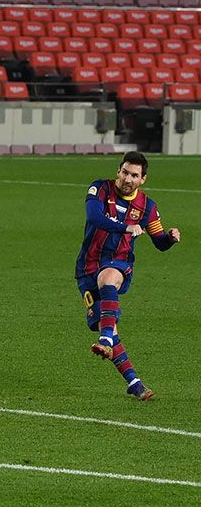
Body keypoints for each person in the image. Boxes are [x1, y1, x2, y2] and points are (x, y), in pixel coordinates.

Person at [76, 152, 180, 401]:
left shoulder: (147, 208)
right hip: (86, 267)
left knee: (109, 277)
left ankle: (105, 339)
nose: (128, 179)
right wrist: (126, 227)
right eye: (125, 172)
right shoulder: (100, 189)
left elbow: (160, 242)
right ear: (118, 172)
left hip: (119, 263)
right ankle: (134, 383)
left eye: (134, 175)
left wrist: (170, 238)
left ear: (143, 179)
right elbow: (94, 217)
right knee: (108, 327)